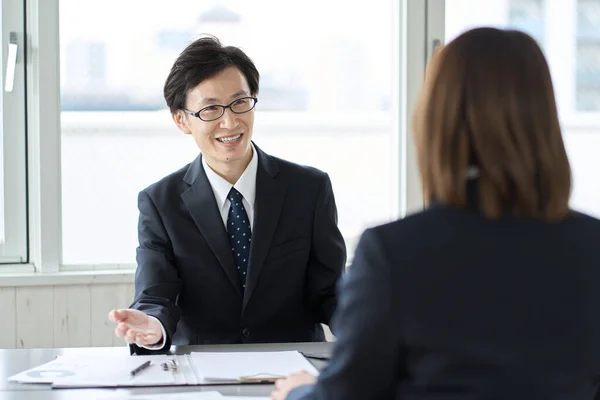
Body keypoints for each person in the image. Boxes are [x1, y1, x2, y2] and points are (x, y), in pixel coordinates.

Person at [272, 27, 600, 400]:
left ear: (436, 119)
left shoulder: (392, 253)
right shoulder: (592, 246)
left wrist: (297, 393)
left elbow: (347, 394)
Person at [108, 36, 346, 353]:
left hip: (293, 372)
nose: (230, 121)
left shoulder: (309, 189)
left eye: (239, 103)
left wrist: (369, 327)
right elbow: (156, 295)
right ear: (181, 120)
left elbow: (330, 292)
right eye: (210, 110)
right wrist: (153, 326)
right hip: (203, 373)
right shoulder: (160, 203)